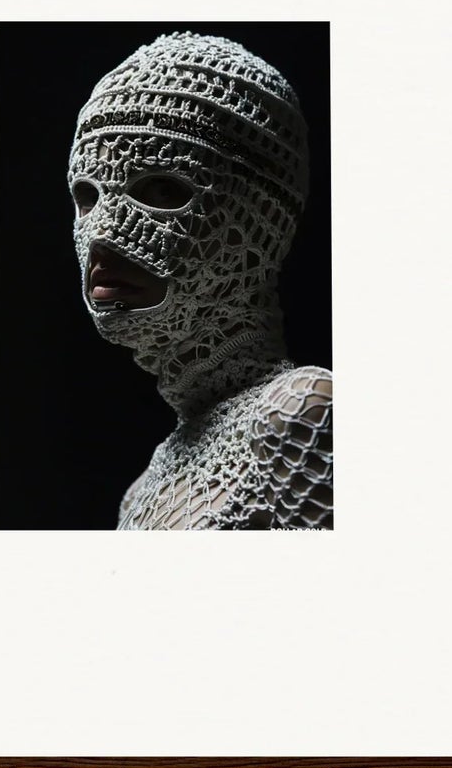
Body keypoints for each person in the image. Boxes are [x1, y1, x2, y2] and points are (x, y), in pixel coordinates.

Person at [67, 31, 333, 530]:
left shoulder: (305, 411)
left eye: (162, 187)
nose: (101, 235)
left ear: (260, 218)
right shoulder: (143, 490)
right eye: (88, 196)